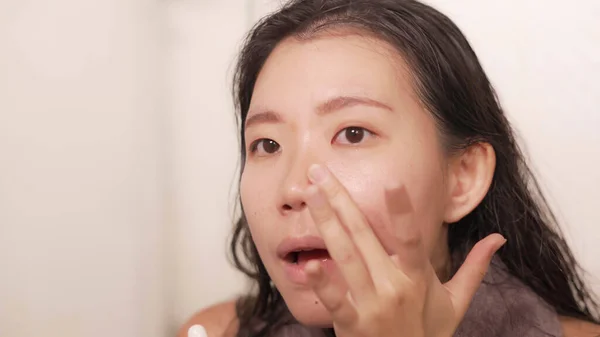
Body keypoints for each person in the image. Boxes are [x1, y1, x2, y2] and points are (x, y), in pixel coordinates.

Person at [179, 0, 600, 336]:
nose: (292, 188)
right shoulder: (213, 331)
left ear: (462, 178)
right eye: (267, 144)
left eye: (353, 134)